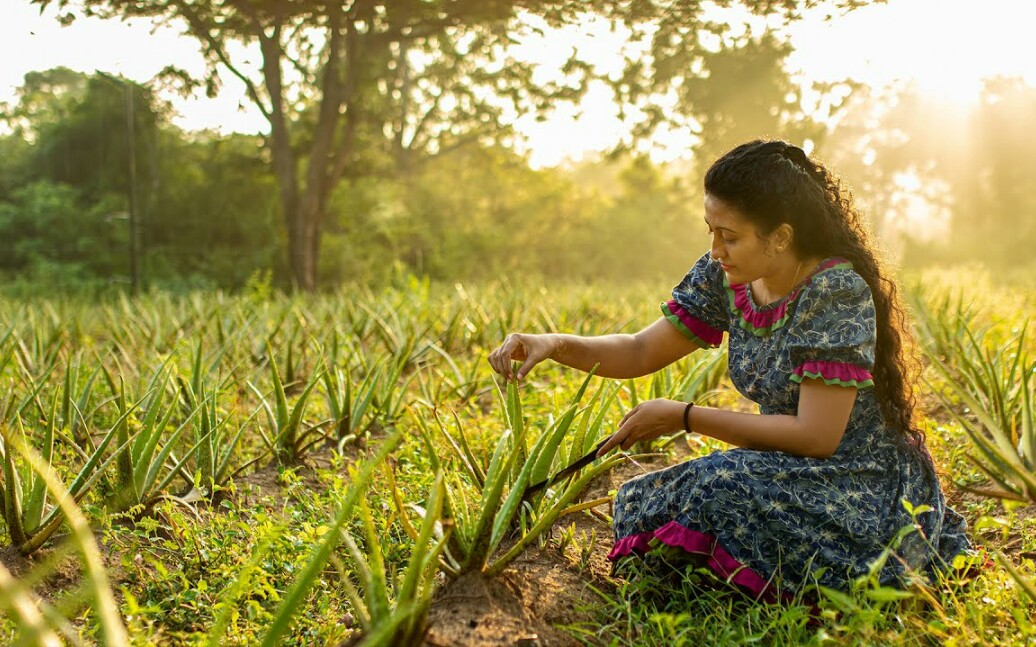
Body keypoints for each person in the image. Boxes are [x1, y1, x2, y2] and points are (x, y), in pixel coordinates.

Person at [486, 139, 973, 600]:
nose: (715, 249)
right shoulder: (725, 276)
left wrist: (686, 416)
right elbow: (638, 351)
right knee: (647, 497)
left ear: (781, 237)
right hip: (784, 463)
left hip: (852, 475)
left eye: (730, 236)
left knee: (719, 489)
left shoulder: (834, 292)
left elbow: (817, 437)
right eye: (710, 231)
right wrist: (552, 343)